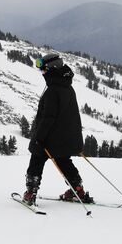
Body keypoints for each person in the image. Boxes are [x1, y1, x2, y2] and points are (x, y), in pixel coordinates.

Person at [23, 52, 93, 205]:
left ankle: (30, 193)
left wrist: (38, 139)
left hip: (50, 138)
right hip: (65, 138)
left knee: (37, 158)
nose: (42, 72)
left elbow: (47, 118)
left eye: (43, 69)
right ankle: (78, 190)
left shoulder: (53, 91)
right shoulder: (67, 87)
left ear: (51, 69)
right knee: (63, 160)